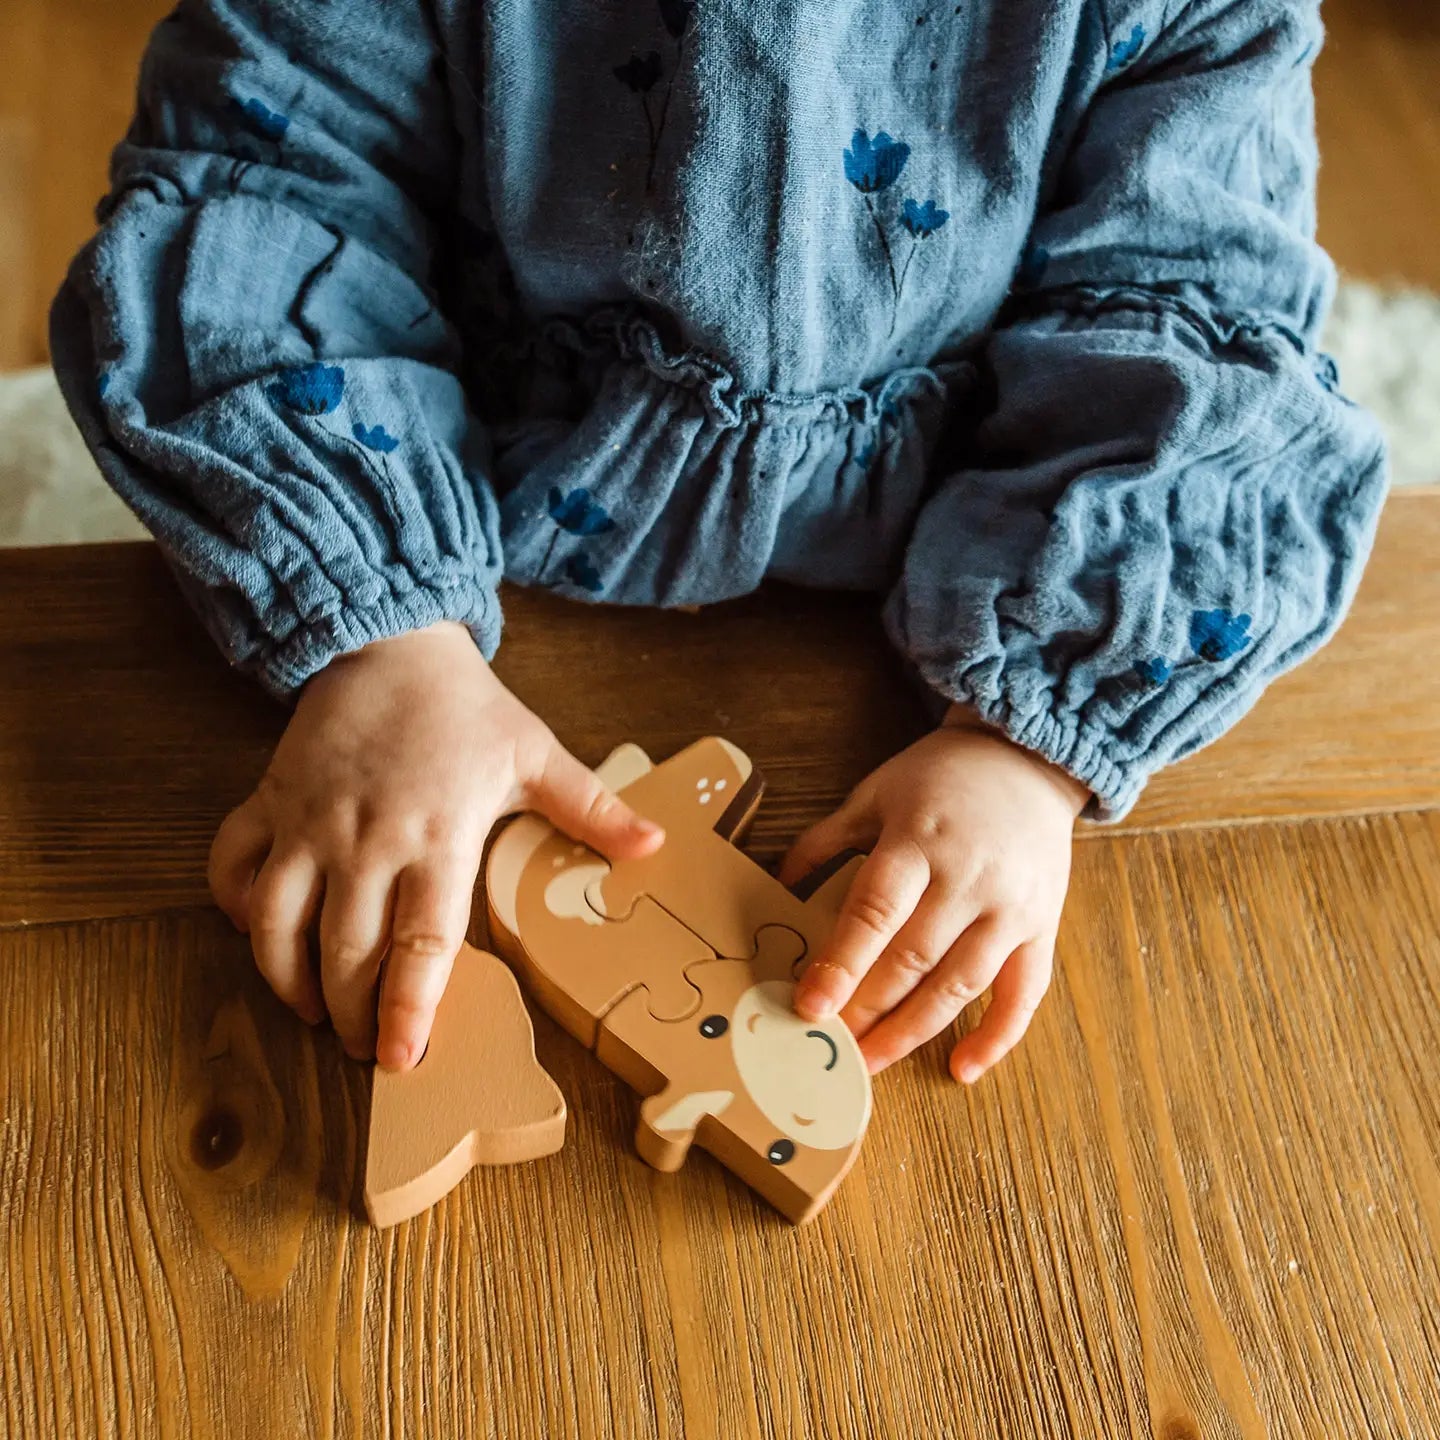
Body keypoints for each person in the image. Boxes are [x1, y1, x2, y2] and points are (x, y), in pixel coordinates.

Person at [51, 0, 1386, 1084]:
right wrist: (378, 630)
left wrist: (1031, 740)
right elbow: (267, 190)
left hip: (963, 577)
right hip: (452, 517)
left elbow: (1194, 314)